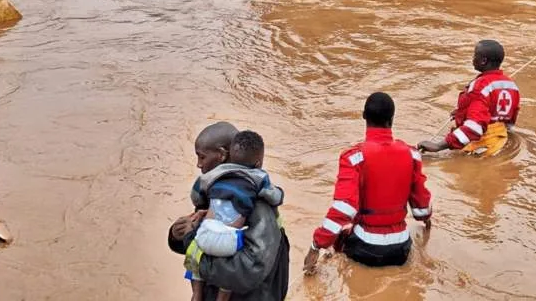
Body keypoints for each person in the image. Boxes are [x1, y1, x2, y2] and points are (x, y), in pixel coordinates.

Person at [303, 92, 431, 273]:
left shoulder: (353, 157)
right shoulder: (413, 154)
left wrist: (316, 246)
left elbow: (344, 209)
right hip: (401, 250)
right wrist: (427, 219)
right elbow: (421, 209)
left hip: (365, 248)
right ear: (392, 119)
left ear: (364, 116)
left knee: (339, 242)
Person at [169, 122, 290, 301]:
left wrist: (190, 240)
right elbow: (205, 238)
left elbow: (247, 270)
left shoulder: (258, 205)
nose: (198, 164)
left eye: (202, 157)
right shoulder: (215, 191)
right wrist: (177, 235)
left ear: (222, 155)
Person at [418, 40, 520, 158]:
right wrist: (461, 112)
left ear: (483, 61)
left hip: (481, 144)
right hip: (500, 140)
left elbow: (475, 127)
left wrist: (438, 146)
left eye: (475, 55)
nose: (473, 58)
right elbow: (511, 117)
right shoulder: (511, 84)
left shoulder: (480, 85)